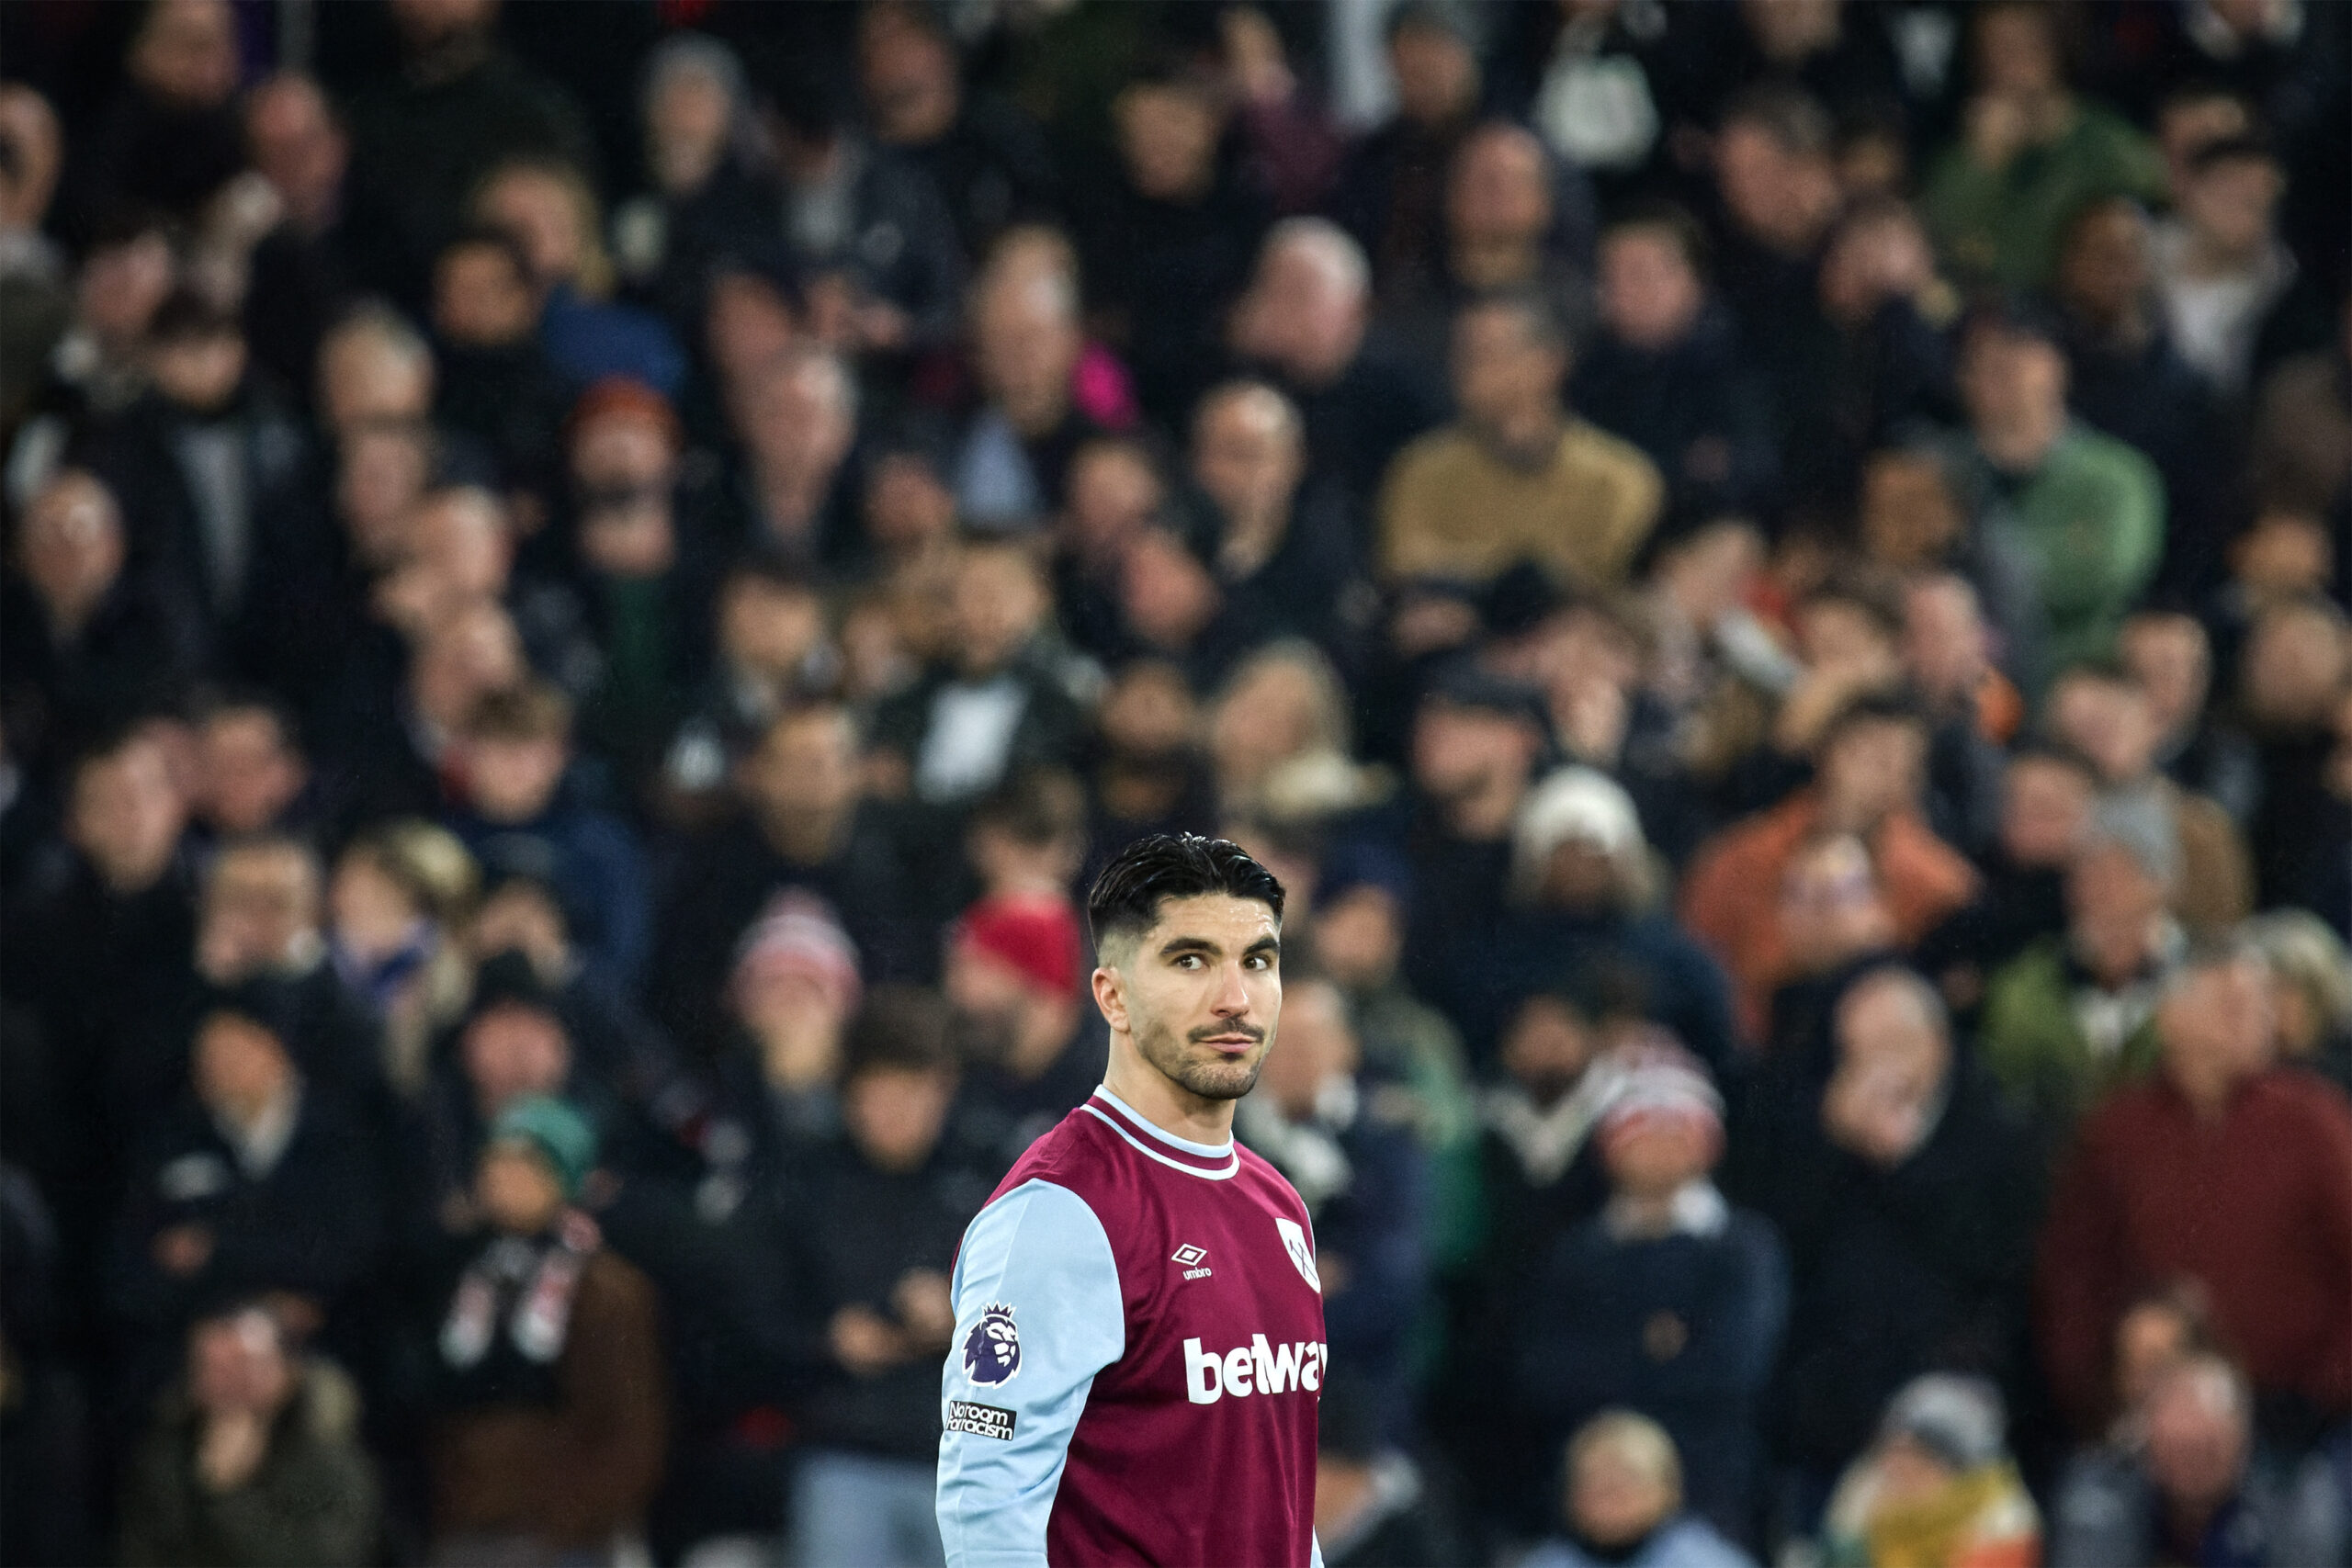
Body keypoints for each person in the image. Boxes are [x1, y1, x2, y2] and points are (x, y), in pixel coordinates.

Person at [935, 834, 1323, 1566]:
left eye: (1258, 961)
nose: (1235, 998)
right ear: (1111, 995)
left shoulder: (1281, 1208)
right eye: (1191, 960)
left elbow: (1278, 1491)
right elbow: (984, 1504)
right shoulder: (1062, 1210)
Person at [2036, 939, 2352, 1443]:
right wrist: (2095, 1394)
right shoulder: (2118, 1133)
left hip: (2297, 1425)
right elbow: (2076, 1274)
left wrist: (2328, 1392)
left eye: (2261, 1002)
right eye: (2231, 1003)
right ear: (2171, 1018)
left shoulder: (2316, 1122)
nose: (2255, 1017)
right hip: (2144, 1427)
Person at [1518, 1047, 1788, 1541]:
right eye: (1642, 1130)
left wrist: (1614, 1355)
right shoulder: (1576, 1251)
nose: (1660, 1147)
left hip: (1712, 1492)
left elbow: (1734, 1368)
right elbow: (1547, 1374)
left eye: (1678, 1130)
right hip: (1588, 1504)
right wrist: (1659, 1348)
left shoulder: (1744, 1246)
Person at [784, 988, 994, 1568]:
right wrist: (828, 1341)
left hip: (971, 1457)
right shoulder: (806, 1186)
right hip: (846, 1450)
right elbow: (753, 1323)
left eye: (918, 1090)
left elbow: (1051, 1317)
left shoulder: (990, 1179)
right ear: (850, 1094)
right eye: (884, 1091)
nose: (901, 1110)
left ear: (945, 1091)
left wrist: (967, 1320)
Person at [424, 1096, 667, 1563]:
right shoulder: (460, 1272)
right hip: (467, 1521)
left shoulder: (607, 1288)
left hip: (564, 1535)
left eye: (525, 1168)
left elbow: (634, 1429)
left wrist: (570, 1521)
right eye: (494, 1165)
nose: (502, 1181)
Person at [1379, 288, 1663, 591]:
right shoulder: (1422, 472)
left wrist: (1470, 570)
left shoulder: (1617, 479)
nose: (1467, 369)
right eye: (1461, 354)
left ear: (1549, 363)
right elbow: (1406, 569)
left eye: (1486, 353)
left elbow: (1604, 586)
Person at [1977, 794, 2186, 1156]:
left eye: (2118, 872)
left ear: (2160, 884)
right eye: (2084, 872)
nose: (2097, 891)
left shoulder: (2201, 980)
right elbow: (2004, 1092)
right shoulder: (2025, 984)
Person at [117, 1299, 380, 1567]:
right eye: (213, 1368)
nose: (228, 1384)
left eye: (244, 1366)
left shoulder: (327, 1461)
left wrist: (228, 1493)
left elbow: (324, 1557)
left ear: (285, 1372)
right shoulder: (167, 1453)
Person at [1819, 1374, 2042, 1568]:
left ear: (1953, 1468)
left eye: (1915, 1455)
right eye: (1891, 1451)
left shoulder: (2000, 1522)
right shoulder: (1865, 1493)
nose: (1895, 1467)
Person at [1519, 1411, 1758, 1568]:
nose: (1609, 1494)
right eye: (1594, 1481)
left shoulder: (1712, 1563)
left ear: (1668, 1490)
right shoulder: (1543, 1563)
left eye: (1626, 1478)